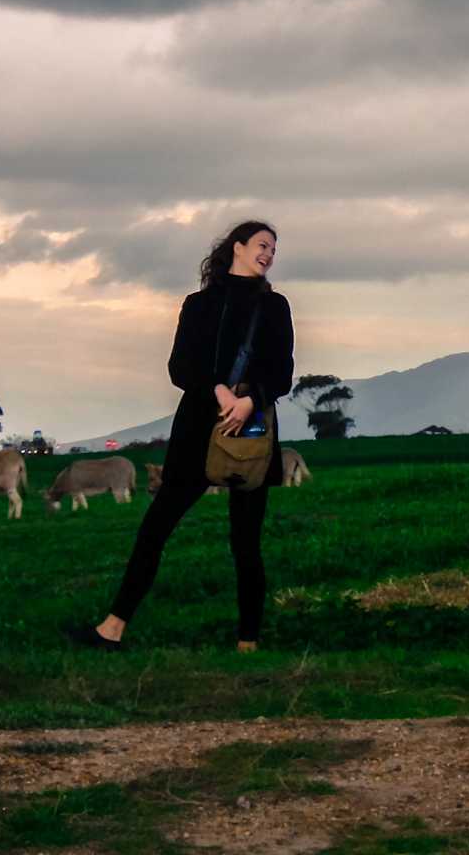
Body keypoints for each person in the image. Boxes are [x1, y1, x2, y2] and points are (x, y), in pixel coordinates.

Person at [70, 221, 294, 653]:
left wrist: (251, 400)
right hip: (196, 429)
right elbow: (179, 368)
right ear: (238, 247)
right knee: (154, 530)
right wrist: (219, 389)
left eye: (274, 249)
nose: (269, 254)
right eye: (263, 245)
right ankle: (112, 629)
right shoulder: (198, 305)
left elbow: (282, 372)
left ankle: (248, 642)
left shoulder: (275, 307)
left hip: (250, 428)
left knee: (246, 541)